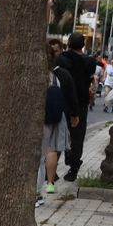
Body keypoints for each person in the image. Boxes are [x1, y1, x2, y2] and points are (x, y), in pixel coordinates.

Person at [56, 32, 94, 181]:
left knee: (58, 134)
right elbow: (91, 80)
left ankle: (51, 169)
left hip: (63, 101)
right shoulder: (90, 62)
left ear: (69, 43)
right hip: (81, 103)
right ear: (83, 45)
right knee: (77, 136)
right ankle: (73, 167)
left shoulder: (62, 59)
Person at [43, 43, 76, 204]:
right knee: (51, 149)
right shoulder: (56, 76)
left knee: (38, 153)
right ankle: (50, 183)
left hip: (39, 118)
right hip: (56, 116)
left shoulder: (32, 75)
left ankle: (35, 191)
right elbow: (70, 96)